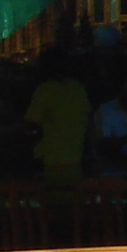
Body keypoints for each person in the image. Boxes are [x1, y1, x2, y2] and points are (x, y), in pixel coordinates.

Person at [26, 51, 93, 185]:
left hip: (50, 160)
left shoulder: (46, 90)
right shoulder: (77, 88)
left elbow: (31, 124)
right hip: (76, 158)